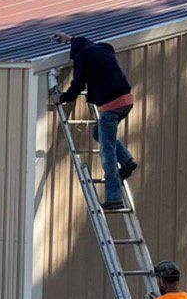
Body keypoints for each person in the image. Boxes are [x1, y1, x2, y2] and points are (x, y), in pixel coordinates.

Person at [50, 32, 138, 210]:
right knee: (99, 133)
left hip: (110, 106)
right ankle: (127, 161)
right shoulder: (104, 48)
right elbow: (80, 41)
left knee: (107, 152)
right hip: (126, 101)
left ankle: (114, 198)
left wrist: (62, 97)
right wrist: (69, 39)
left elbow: (78, 85)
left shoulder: (83, 56)